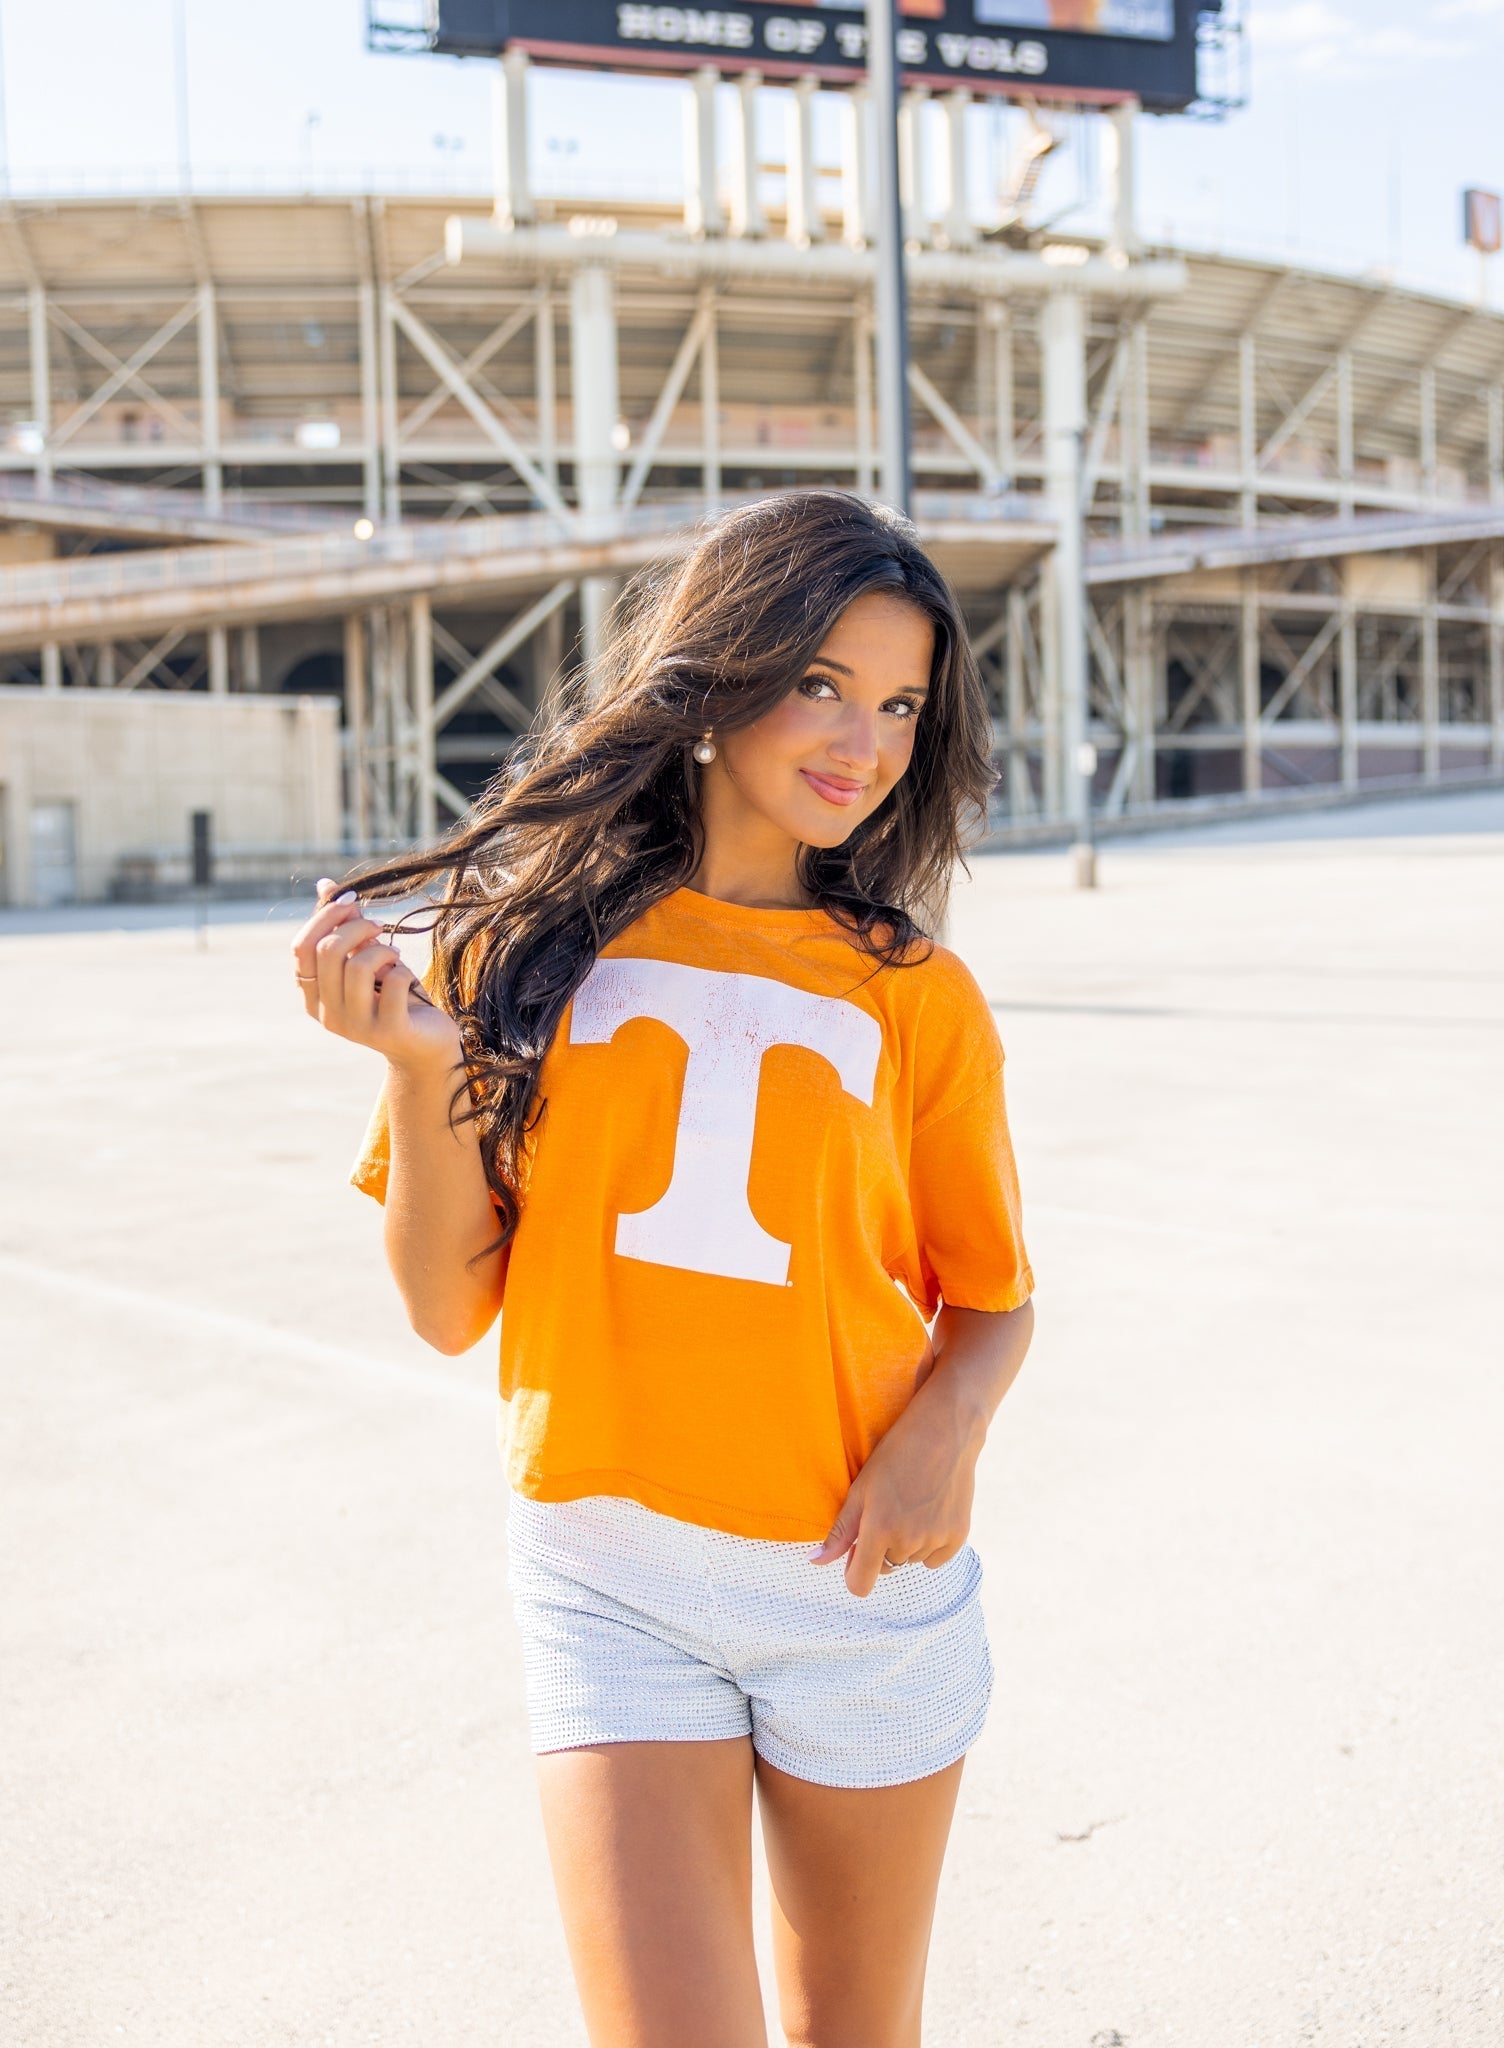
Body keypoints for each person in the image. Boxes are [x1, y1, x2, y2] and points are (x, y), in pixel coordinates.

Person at [291, 490, 1034, 2048]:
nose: (866, 740)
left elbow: (992, 1297)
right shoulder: (516, 954)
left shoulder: (919, 999)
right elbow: (446, 1310)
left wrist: (941, 1437)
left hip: (857, 1587)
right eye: (822, 682)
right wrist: (420, 1066)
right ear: (717, 678)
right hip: (609, 1580)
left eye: (901, 703)